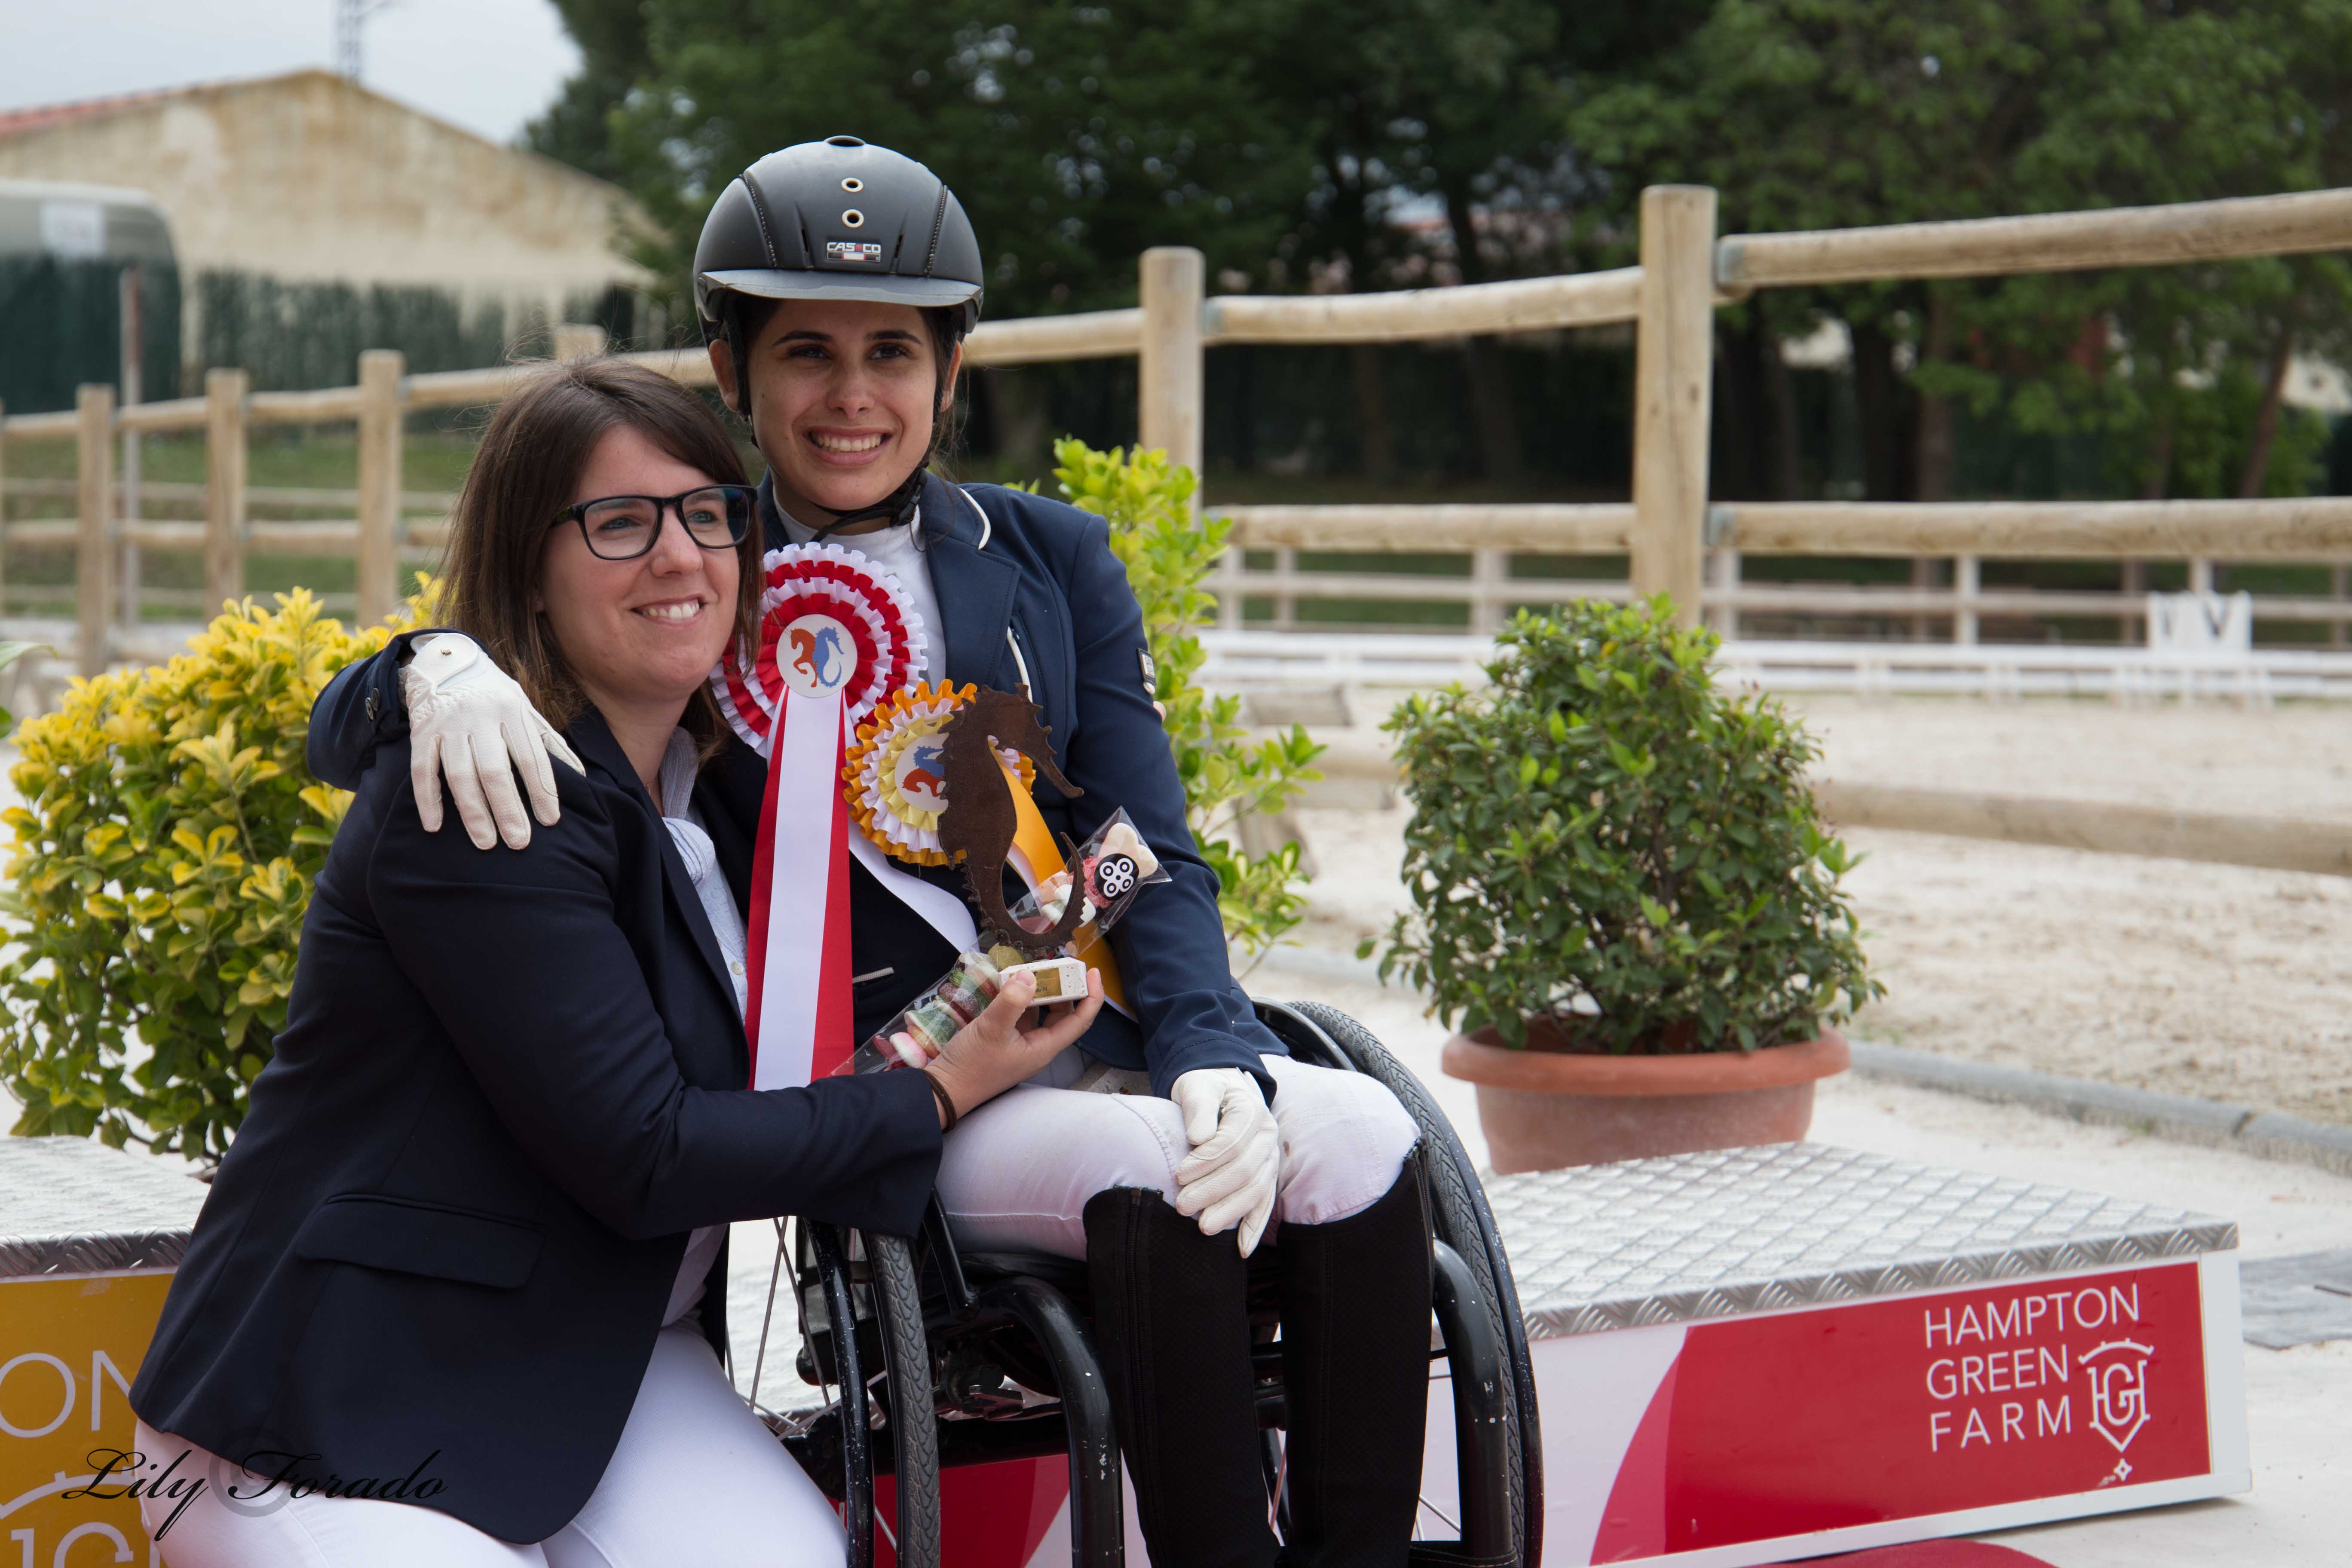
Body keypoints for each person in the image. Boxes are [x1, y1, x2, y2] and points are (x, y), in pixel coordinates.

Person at [309, 137, 1433, 1568]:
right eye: (808, 354)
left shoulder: (1053, 560)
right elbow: (474, 659)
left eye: (893, 352)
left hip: (1099, 1018)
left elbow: (1137, 840)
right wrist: (429, 667)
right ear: (734, 370)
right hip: (890, 1087)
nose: (854, 397)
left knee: (1364, 1135)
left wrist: (1208, 1039)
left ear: (950, 373)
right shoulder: (690, 564)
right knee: (1155, 1175)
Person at [126, 359, 1104, 1566]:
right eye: (619, 523)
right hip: (342, 1386)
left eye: (709, 514)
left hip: (609, 1353)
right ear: (528, 569)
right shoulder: (481, 789)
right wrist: (940, 1092)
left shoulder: (728, 790)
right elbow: (647, 1155)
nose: (681, 556)